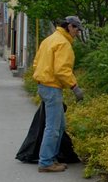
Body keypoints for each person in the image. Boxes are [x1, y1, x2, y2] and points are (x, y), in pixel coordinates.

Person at [31, 16, 85, 173]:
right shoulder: (63, 43)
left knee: (59, 125)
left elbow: (36, 63)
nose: (77, 33)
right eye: (76, 29)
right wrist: (75, 87)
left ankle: (51, 158)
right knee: (53, 127)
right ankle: (46, 161)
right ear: (70, 26)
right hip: (52, 87)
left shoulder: (49, 40)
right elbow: (62, 70)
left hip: (44, 85)